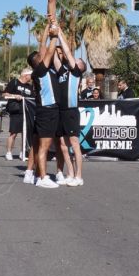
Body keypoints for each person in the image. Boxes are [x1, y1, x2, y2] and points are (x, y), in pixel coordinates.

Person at [25, 24, 63, 188]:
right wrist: (54, 36)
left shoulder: (46, 70)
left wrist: (48, 27)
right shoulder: (40, 70)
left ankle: (31, 173)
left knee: (38, 144)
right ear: (38, 61)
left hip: (49, 110)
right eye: (41, 56)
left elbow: (42, 48)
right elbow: (46, 50)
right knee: (44, 146)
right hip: (47, 111)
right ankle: (42, 178)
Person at [50, 31, 87, 186]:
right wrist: (51, 35)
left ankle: (79, 176)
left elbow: (66, 51)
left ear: (79, 66)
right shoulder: (63, 71)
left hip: (71, 111)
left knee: (74, 144)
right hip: (61, 111)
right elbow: (53, 57)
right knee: (63, 145)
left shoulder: (76, 72)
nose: (75, 59)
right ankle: (70, 173)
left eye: (77, 60)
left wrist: (59, 33)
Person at [3, 66, 36, 161]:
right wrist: (14, 95)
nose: (31, 77)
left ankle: (23, 152)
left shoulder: (30, 86)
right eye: (31, 75)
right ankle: (9, 152)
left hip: (27, 112)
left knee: (25, 133)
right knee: (13, 133)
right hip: (16, 111)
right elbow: (4, 94)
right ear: (26, 75)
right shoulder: (14, 82)